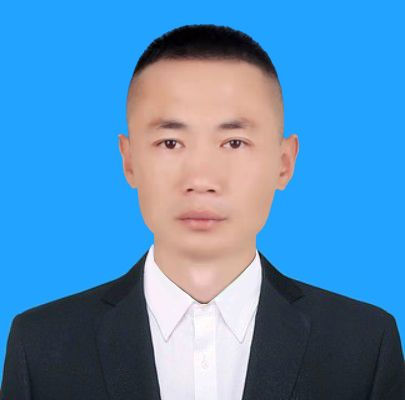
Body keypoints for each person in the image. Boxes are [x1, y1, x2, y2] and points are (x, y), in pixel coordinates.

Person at [1, 23, 404, 400]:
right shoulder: (40, 346)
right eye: (171, 143)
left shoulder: (364, 345)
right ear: (129, 161)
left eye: (234, 143)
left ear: (284, 163)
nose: (201, 179)